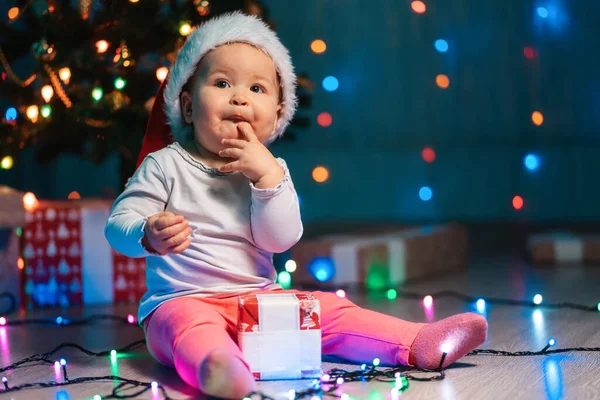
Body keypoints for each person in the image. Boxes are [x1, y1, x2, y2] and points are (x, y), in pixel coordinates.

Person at [105, 12, 487, 399]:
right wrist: (146, 233)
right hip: (180, 300)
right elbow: (116, 225)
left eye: (257, 89)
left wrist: (267, 181)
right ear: (188, 107)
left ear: (274, 118)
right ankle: (216, 367)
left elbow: (280, 239)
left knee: (327, 309)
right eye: (222, 83)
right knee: (188, 326)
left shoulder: (272, 170)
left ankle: (417, 342)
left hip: (258, 300)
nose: (239, 97)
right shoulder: (166, 164)